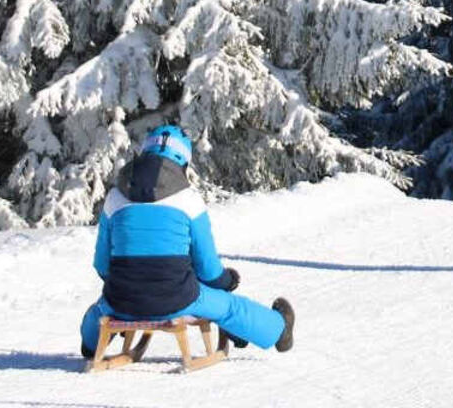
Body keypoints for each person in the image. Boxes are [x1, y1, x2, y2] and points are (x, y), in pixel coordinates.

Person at [79, 125, 296, 359]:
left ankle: (92, 344)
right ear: (182, 163)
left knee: (101, 308)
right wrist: (227, 280)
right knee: (228, 306)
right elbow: (207, 268)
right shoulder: (188, 200)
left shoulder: (114, 197)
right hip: (176, 298)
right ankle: (278, 329)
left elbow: (102, 265)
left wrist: (131, 285)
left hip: (121, 300)